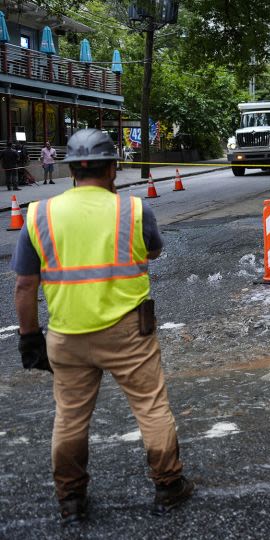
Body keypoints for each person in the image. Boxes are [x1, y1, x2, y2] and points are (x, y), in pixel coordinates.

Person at [12, 129, 194, 526]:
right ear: (113, 167)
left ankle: (71, 499)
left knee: (70, 418)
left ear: (73, 169)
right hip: (129, 332)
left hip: (66, 335)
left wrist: (29, 337)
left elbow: (25, 285)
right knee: (151, 407)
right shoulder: (133, 210)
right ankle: (168, 487)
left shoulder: (39, 214)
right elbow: (154, 250)